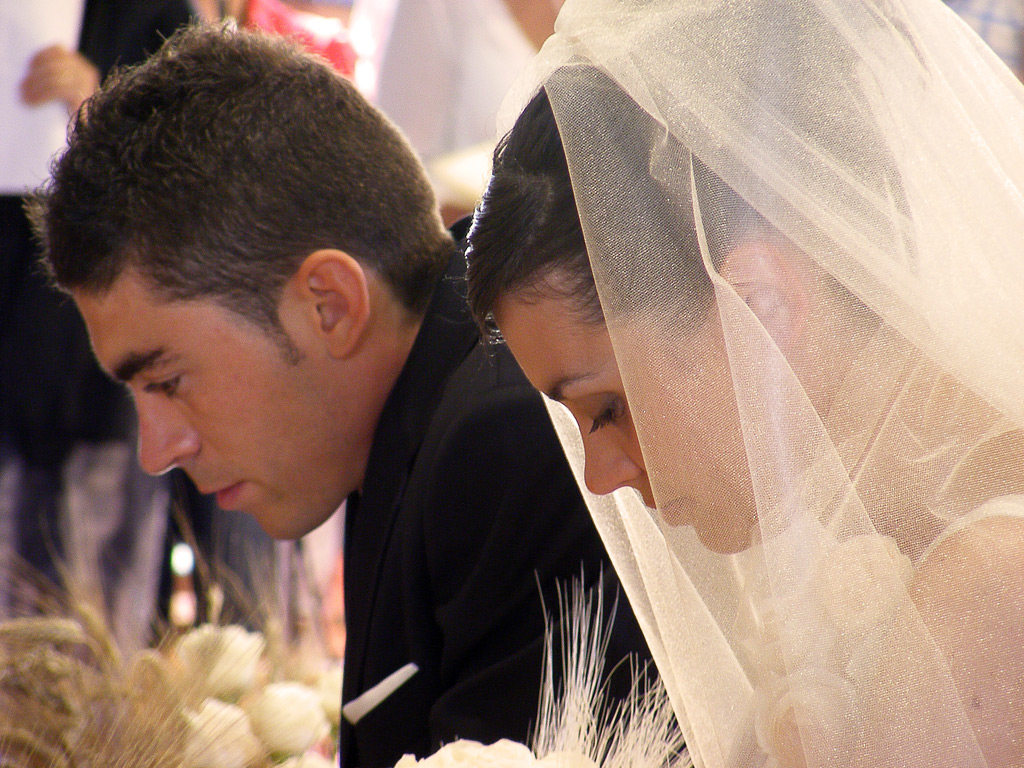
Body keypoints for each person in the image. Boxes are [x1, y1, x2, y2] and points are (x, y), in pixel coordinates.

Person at [29, 24, 649, 768]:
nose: (157, 450)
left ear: (329, 305)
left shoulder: (498, 444)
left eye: (167, 381)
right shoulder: (413, 417)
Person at [465, 0, 1024, 765]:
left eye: (607, 408)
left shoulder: (985, 591)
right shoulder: (838, 530)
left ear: (761, 304)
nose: (600, 476)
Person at [1, 0, 193, 649]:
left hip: (96, 365)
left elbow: (198, 171)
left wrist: (99, 103)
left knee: (94, 609)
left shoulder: (152, 12)